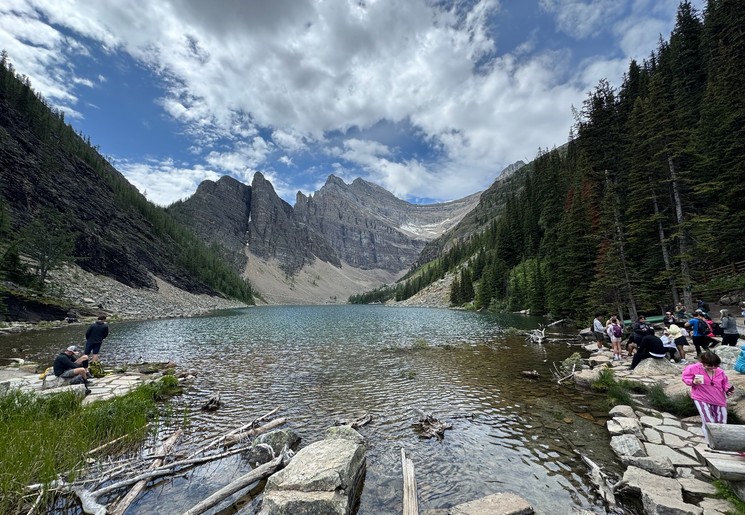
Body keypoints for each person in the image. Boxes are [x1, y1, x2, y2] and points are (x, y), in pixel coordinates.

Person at [681, 351, 734, 445]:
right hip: (701, 398)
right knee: (708, 421)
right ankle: (710, 443)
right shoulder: (693, 368)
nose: (713, 368)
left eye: (715, 366)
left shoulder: (720, 372)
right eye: (710, 365)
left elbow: (725, 383)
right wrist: (692, 381)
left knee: (721, 423)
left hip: (719, 400)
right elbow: (685, 378)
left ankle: (720, 443)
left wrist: (728, 389)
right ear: (703, 363)